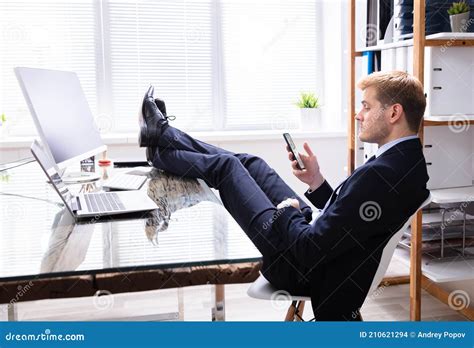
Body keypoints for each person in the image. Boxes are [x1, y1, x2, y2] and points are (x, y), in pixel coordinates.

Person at [138, 70, 430, 321]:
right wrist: (316, 182)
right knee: (252, 162)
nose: (358, 114)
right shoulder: (405, 160)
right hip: (312, 238)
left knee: (227, 167)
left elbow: (311, 249)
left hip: (297, 262)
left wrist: (289, 210)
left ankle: (161, 147)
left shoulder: (384, 174)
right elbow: (350, 219)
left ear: (394, 113)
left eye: (366, 106)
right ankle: (163, 139)